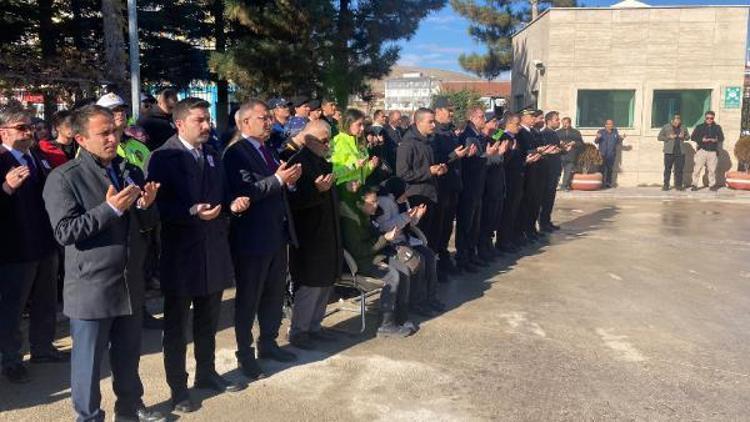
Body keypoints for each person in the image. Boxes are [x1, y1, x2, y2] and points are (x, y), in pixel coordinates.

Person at [43, 105, 164, 422]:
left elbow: (145, 224)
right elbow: (65, 231)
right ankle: (89, 416)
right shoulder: (64, 178)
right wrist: (108, 209)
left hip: (128, 282)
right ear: (81, 138)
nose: (114, 137)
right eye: (104, 133)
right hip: (92, 287)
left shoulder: (128, 169)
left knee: (128, 357)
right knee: (88, 364)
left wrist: (148, 208)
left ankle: (130, 410)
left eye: (115, 130)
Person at [147, 98, 248, 413]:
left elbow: (223, 193)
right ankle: (178, 388)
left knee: (209, 319)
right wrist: (190, 211)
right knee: (177, 327)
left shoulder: (212, 154)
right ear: (179, 123)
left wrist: (233, 203)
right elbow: (157, 207)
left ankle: (207, 372)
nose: (207, 126)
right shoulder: (163, 158)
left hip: (213, 249)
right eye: (199, 121)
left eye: (208, 120)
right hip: (182, 254)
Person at [224, 99, 302, 381]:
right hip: (252, 237)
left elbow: (275, 185)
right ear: (245, 122)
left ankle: (268, 343)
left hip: (276, 233)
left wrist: (289, 181)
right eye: (263, 118)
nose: (269, 122)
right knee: (248, 299)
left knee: (273, 294)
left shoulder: (266, 148)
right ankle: (244, 355)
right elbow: (244, 191)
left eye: (270, 117)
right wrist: (279, 180)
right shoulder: (236, 153)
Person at [0, 104, 67, 384]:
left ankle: (42, 348)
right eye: (21, 128)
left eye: (30, 127)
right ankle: (11, 359)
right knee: (12, 309)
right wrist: (5, 188)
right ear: (3, 131)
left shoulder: (36, 157)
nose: (29, 132)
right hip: (14, 250)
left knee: (45, 300)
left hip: (43, 243)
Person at [285, 120, 343, 349]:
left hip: (327, 231)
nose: (327, 144)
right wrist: (317, 191)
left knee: (325, 282)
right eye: (323, 140)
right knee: (310, 284)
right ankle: (299, 331)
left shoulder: (321, 161)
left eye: (329, 139)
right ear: (308, 139)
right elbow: (294, 201)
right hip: (309, 234)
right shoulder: (297, 162)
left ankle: (314, 326)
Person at [339, 186, 416, 337]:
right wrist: (384, 239)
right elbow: (359, 250)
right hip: (360, 262)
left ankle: (401, 317)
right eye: (372, 202)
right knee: (392, 276)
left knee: (404, 270)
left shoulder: (365, 217)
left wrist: (388, 236)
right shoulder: (351, 222)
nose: (376, 205)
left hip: (373, 257)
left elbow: (376, 238)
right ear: (360, 204)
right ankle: (385, 325)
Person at [374, 177, 444, 316]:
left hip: (407, 240)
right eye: (405, 190)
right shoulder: (385, 202)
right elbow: (384, 227)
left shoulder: (403, 200)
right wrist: (406, 216)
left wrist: (416, 216)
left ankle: (430, 297)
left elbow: (409, 224)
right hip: (392, 243)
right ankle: (415, 302)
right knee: (418, 261)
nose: (407, 194)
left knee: (429, 256)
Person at [431, 97, 472, 279]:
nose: (451, 114)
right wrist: (453, 155)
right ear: (438, 111)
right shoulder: (436, 133)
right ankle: (437, 264)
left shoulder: (450, 132)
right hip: (442, 187)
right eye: (449, 110)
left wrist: (463, 155)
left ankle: (445, 257)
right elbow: (436, 158)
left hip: (454, 185)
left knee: (448, 226)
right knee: (438, 228)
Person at [396, 108, 444, 252]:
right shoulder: (408, 143)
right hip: (416, 197)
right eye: (430, 122)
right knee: (419, 239)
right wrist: (428, 171)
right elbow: (402, 174)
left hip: (431, 194)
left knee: (431, 236)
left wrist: (439, 169)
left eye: (434, 121)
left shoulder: (427, 141)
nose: (434, 125)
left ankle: (432, 267)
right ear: (418, 122)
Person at [455, 107, 489, 271]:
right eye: (481, 117)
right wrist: (487, 156)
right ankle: (463, 258)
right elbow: (470, 164)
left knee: (475, 224)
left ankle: (471, 254)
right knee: (466, 225)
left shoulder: (478, 135)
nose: (484, 120)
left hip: (478, 187)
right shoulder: (468, 136)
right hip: (469, 187)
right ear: (473, 118)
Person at [479, 115, 509, 259]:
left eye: (497, 122)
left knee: (494, 218)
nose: (496, 124)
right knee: (486, 218)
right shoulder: (482, 139)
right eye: (492, 121)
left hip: (497, 184)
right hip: (486, 185)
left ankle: (489, 244)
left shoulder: (494, 137)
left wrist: (498, 130)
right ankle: (483, 247)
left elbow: (505, 135)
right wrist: (498, 154)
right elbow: (484, 160)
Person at [330, 108, 378, 189]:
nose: (362, 128)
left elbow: (361, 173)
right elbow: (334, 174)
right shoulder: (337, 142)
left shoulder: (359, 142)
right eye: (359, 124)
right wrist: (354, 165)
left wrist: (371, 166)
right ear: (348, 124)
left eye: (363, 124)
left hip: (359, 189)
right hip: (344, 191)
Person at [539, 111, 563, 232]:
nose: (559, 121)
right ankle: (543, 222)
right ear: (549, 121)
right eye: (556, 119)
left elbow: (556, 151)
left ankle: (547, 221)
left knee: (551, 197)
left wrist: (563, 149)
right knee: (546, 198)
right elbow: (544, 152)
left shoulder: (554, 134)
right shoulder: (545, 134)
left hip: (554, 170)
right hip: (548, 170)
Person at [690, 111, 724, 191]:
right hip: (702, 150)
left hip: (712, 151)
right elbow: (693, 137)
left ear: (713, 118)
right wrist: (702, 140)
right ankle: (694, 184)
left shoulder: (717, 127)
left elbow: (721, 138)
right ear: (705, 118)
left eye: (711, 118)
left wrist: (716, 140)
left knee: (712, 170)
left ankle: (712, 185)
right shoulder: (699, 127)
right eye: (707, 118)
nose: (709, 119)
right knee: (697, 169)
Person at [657, 114, 690, 191]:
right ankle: (666, 185)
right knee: (667, 169)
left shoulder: (683, 127)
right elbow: (659, 137)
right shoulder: (666, 127)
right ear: (672, 121)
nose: (677, 122)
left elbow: (688, 137)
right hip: (669, 152)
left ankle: (678, 185)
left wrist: (684, 137)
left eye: (678, 120)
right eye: (675, 121)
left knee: (679, 170)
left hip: (680, 152)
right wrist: (669, 137)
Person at [594, 119, 624, 189]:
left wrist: (622, 138)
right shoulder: (601, 132)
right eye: (608, 124)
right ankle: (600, 183)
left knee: (610, 169)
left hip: (611, 154)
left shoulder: (615, 132)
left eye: (611, 124)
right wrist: (597, 138)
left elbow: (617, 141)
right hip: (602, 154)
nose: (610, 125)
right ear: (605, 125)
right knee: (601, 169)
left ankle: (608, 183)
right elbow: (596, 141)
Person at [557, 117, 583, 191]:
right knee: (557, 171)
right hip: (560, 154)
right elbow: (553, 143)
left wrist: (574, 143)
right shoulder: (558, 132)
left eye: (566, 123)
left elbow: (581, 143)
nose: (565, 124)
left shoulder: (576, 132)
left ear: (570, 123)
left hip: (571, 155)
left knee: (568, 172)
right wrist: (560, 143)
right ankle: (555, 185)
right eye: (563, 123)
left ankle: (564, 186)